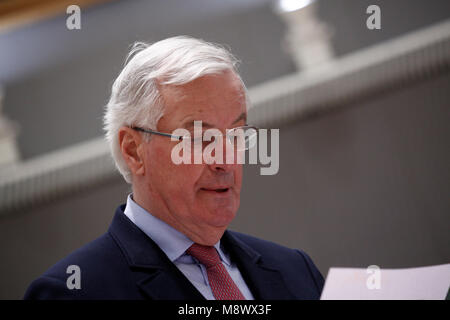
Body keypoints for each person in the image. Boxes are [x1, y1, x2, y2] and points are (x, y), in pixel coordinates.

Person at [24, 36, 324, 300]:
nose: (225, 160)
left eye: (235, 135)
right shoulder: (72, 292)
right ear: (133, 151)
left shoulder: (295, 270)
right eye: (197, 138)